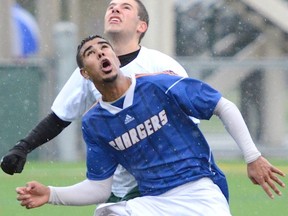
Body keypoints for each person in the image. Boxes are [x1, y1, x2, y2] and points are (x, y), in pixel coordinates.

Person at [16, 35, 285, 216]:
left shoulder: (158, 85)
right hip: (154, 202)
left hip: (200, 192)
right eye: (91, 53)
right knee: (108, 212)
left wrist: (252, 156)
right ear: (85, 73)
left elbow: (222, 106)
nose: (100, 54)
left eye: (104, 48)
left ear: (116, 58)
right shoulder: (95, 123)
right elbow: (99, 188)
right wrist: (50, 194)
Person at [1, 0, 191, 201]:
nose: (115, 9)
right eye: (111, 6)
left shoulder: (162, 66)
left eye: (126, 7)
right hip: (121, 189)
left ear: (141, 26)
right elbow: (58, 118)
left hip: (168, 182)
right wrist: (23, 147)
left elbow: (188, 122)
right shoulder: (89, 71)